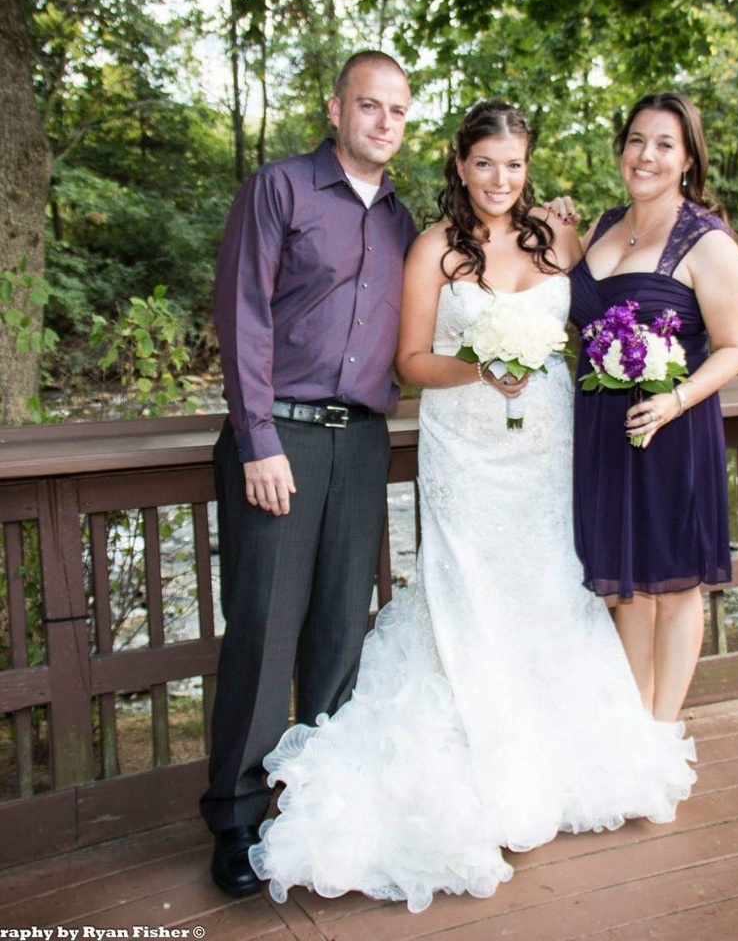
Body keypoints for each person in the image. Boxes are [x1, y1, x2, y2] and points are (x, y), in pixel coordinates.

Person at [248, 99, 697, 913]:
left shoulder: (559, 238)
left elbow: (616, 304)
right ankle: (480, 780)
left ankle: (558, 767)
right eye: (485, 163)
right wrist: (479, 369)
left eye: (515, 165)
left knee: (545, 589)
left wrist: (653, 363)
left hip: (545, 446)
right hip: (463, 448)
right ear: (460, 165)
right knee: (467, 594)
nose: (500, 179)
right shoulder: (432, 248)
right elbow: (411, 361)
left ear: (530, 169)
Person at [202, 50, 417, 898]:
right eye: (370, 106)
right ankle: (237, 818)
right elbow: (242, 315)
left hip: (361, 443)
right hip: (279, 440)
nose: (384, 123)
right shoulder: (281, 189)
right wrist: (257, 439)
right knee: (262, 634)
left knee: (340, 631)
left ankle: (319, 807)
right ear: (336, 108)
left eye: (398, 111)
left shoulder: (406, 219)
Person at [565, 91, 738, 724]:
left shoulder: (709, 241)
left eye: (665, 144)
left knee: (673, 590)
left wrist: (675, 401)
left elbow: (733, 349)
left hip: (670, 428)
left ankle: (663, 732)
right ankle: (631, 732)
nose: (646, 155)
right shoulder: (601, 225)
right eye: (637, 140)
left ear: (689, 159)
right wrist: (559, 227)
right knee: (627, 593)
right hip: (602, 432)